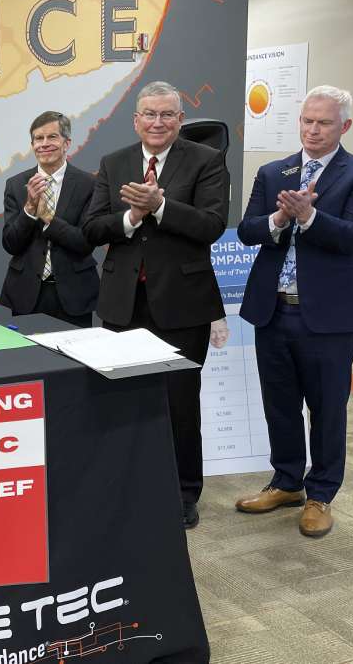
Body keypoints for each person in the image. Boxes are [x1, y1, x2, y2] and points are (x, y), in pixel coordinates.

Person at [234, 85, 353, 538]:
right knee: (279, 404)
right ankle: (286, 482)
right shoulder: (273, 171)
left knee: (327, 408)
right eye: (306, 121)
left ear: (345, 127)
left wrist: (309, 218)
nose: (312, 130)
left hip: (327, 317)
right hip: (273, 310)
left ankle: (320, 494)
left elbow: (352, 235)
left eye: (323, 123)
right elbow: (246, 231)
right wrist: (279, 220)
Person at [84, 81, 228, 529]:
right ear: (136, 119)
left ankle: (185, 493)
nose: (158, 122)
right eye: (149, 114)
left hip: (183, 307)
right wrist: (131, 217)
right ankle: (129, 484)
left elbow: (212, 225)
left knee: (180, 405)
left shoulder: (206, 161)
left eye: (167, 114)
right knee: (123, 404)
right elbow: (92, 227)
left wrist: (162, 205)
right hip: (123, 305)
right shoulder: (115, 162)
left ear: (180, 120)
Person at [0, 111, 99, 328]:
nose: (44, 144)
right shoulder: (16, 185)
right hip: (27, 294)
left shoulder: (88, 184)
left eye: (52, 137)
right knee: (30, 361)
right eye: (38, 138)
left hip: (74, 293)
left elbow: (85, 243)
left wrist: (47, 219)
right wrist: (29, 210)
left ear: (66, 143)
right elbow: (10, 243)